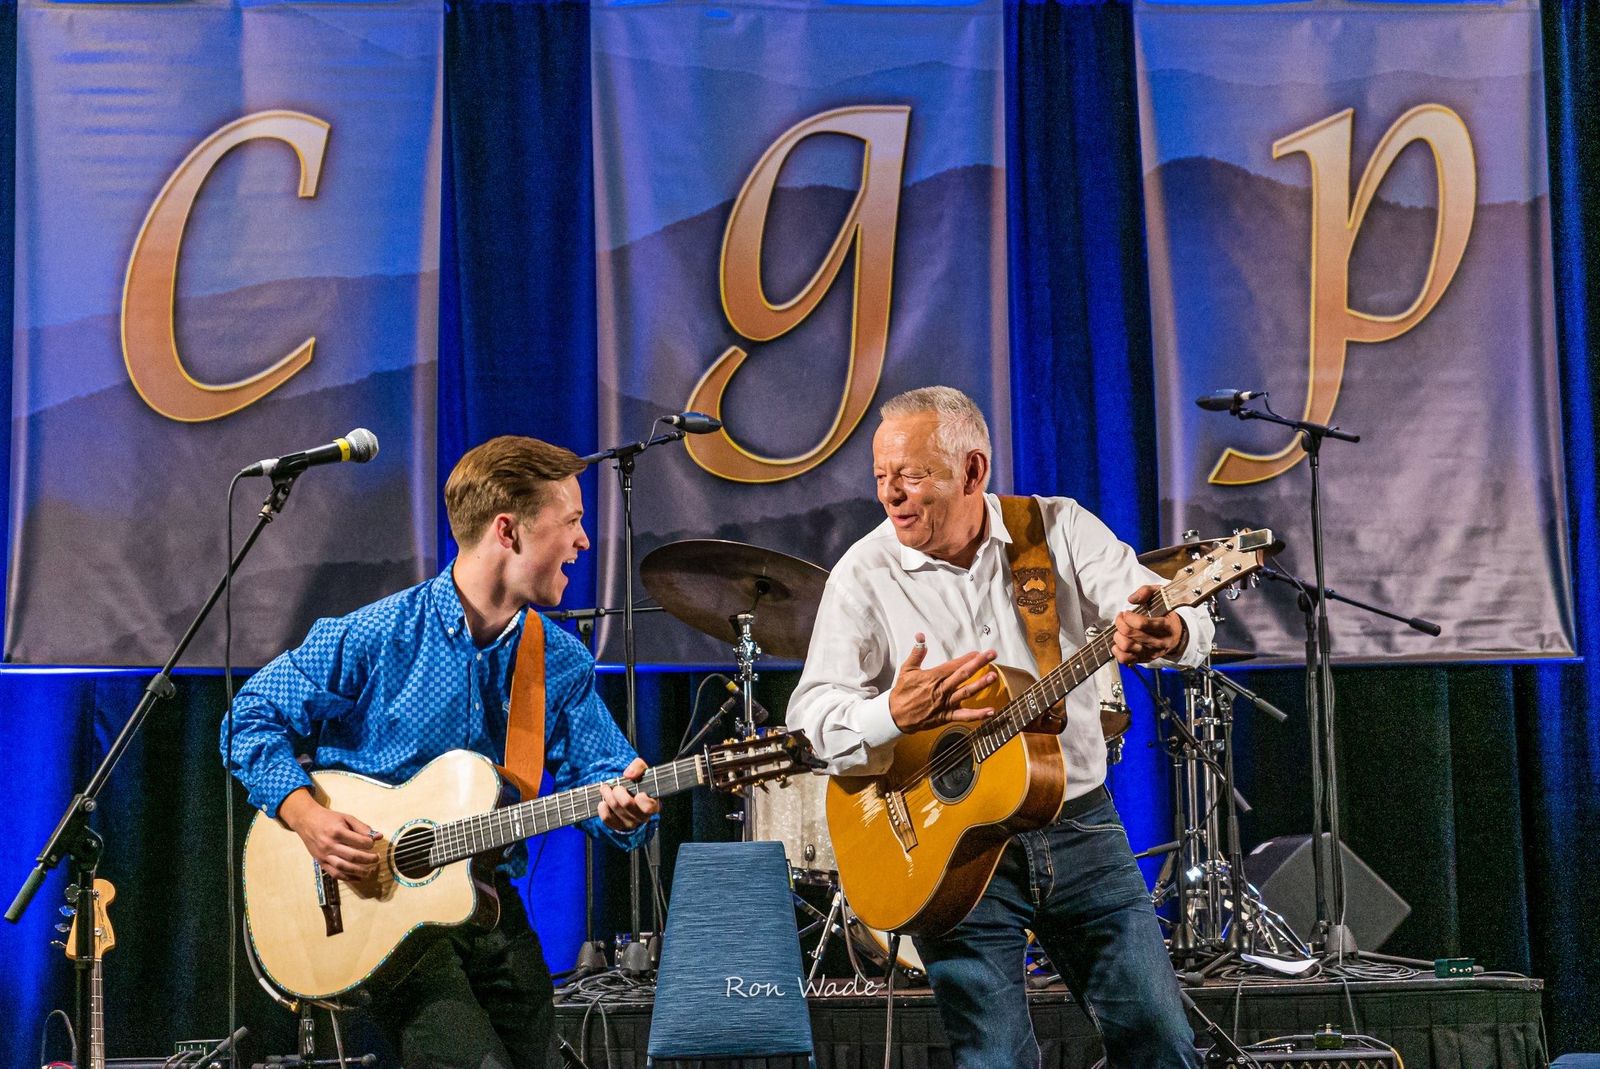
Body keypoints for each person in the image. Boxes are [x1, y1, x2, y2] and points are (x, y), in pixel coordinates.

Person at [788, 386, 1212, 1069]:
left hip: (1078, 827)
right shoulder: (864, 574)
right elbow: (810, 722)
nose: (891, 494)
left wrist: (1174, 631)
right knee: (996, 1061)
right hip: (952, 852)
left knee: (1162, 1043)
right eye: (881, 475)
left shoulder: (1057, 529)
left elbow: (1160, 606)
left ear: (972, 471)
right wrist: (890, 714)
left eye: (912, 475)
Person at [223, 435, 658, 1069]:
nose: (584, 541)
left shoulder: (559, 660)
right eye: (571, 521)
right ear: (507, 531)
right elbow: (248, 718)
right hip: (378, 911)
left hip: (485, 903)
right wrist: (306, 815)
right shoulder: (377, 635)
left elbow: (604, 773)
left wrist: (624, 808)